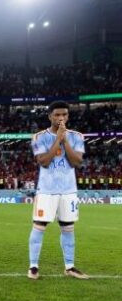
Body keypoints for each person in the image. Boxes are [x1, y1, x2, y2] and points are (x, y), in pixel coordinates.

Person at [28, 100, 88, 280]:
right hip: (46, 190)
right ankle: (33, 267)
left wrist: (65, 140)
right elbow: (44, 162)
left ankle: (69, 267)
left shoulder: (77, 136)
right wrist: (57, 139)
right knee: (39, 227)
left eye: (64, 115)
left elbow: (76, 162)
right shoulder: (39, 137)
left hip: (69, 191)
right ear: (50, 116)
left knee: (68, 228)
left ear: (68, 116)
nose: (61, 118)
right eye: (57, 115)